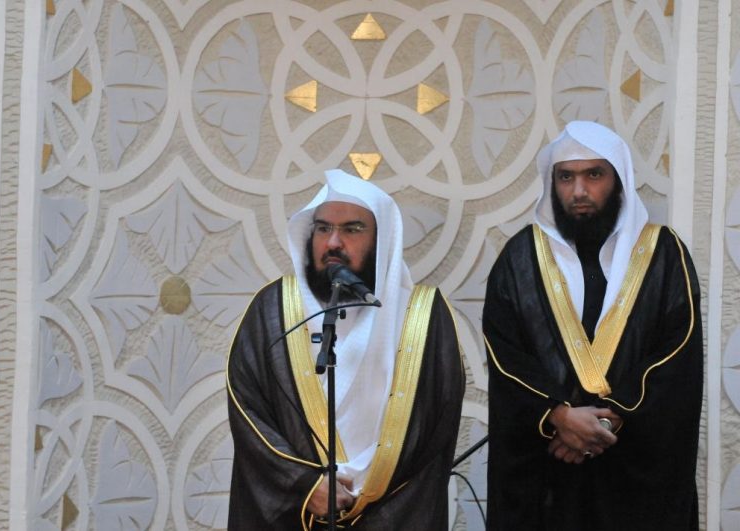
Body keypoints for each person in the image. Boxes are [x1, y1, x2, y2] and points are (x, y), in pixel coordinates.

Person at [483, 121, 703, 530]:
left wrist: (606, 421)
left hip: (634, 473)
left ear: (618, 181)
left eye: (594, 175)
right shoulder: (520, 259)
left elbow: (677, 356)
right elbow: (505, 357)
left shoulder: (663, 254)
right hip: (548, 471)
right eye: (566, 177)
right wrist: (558, 416)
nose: (579, 191)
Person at [226, 169, 465, 530]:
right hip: (297, 513)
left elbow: (435, 430)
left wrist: (375, 501)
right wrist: (305, 485)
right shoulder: (272, 310)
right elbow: (248, 412)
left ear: (381, 240)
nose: (333, 242)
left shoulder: (423, 315)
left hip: (395, 514)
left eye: (352, 229)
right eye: (323, 229)